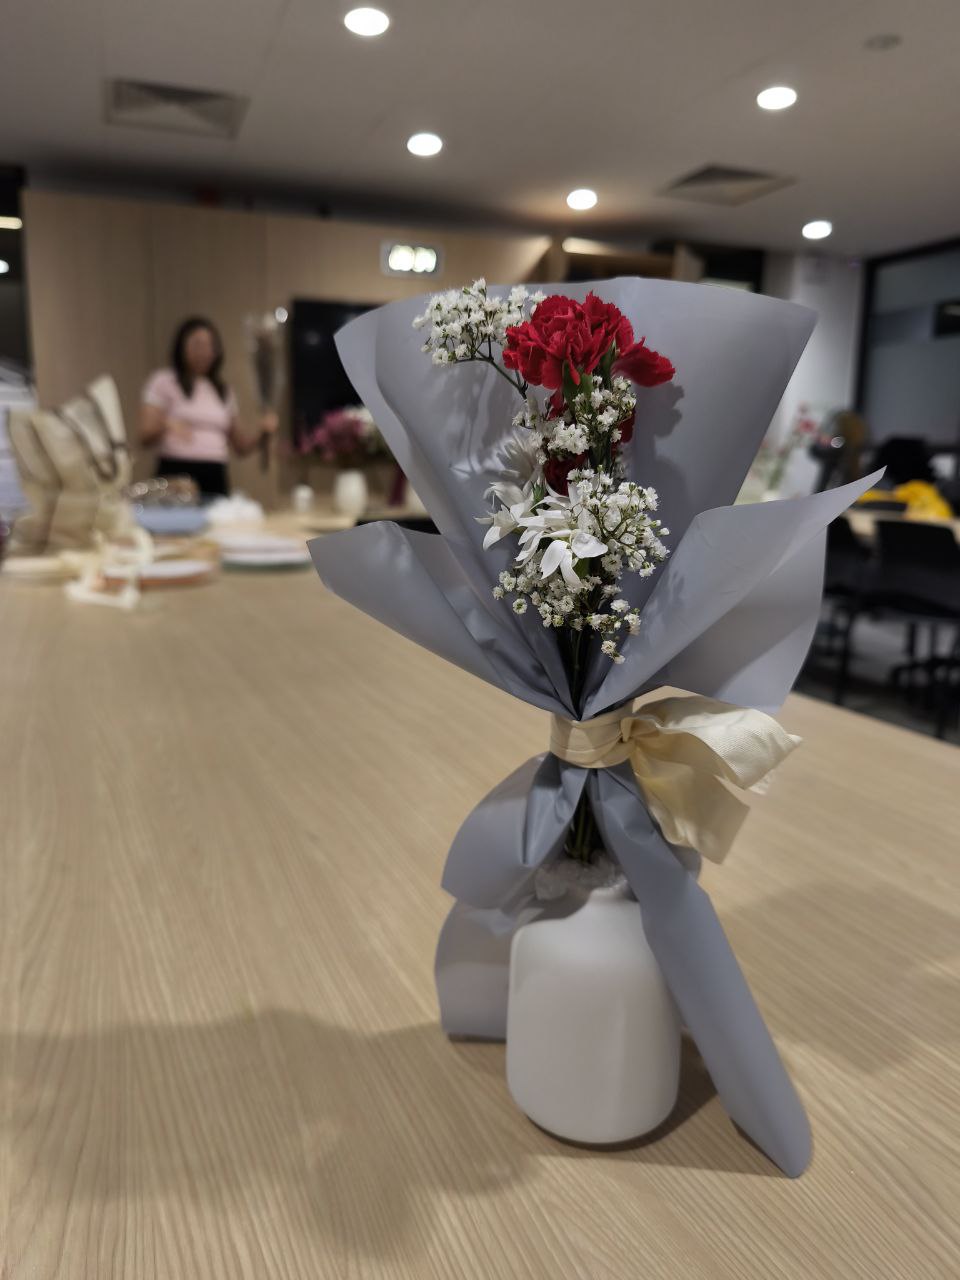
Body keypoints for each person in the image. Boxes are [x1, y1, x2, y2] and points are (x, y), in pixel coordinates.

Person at [140, 317, 278, 497]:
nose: (204, 352)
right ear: (182, 346)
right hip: (175, 473)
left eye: (209, 346)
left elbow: (241, 446)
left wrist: (263, 433)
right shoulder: (163, 381)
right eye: (197, 344)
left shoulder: (223, 391)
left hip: (215, 474)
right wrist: (167, 424)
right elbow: (145, 435)